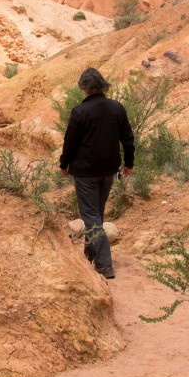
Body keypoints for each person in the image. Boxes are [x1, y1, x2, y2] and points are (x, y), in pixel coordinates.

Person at [59, 68, 134, 279]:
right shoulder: (117, 108)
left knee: (91, 216)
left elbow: (70, 143)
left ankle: (104, 264)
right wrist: (129, 163)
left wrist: (64, 164)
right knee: (97, 214)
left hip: (85, 172)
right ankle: (89, 254)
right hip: (109, 171)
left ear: (83, 87)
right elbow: (128, 139)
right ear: (103, 85)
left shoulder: (80, 112)